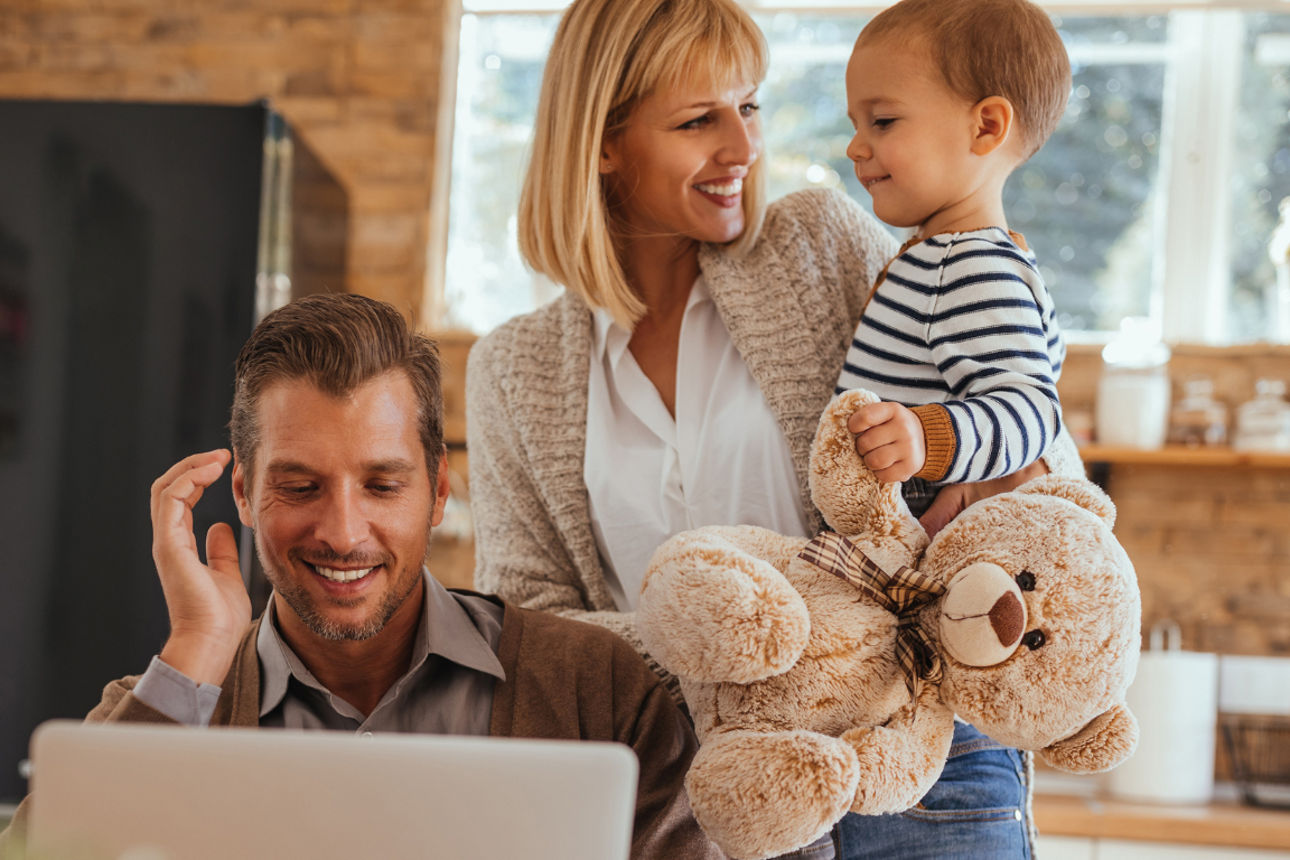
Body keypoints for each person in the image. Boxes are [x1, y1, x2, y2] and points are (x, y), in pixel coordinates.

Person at [466, 0, 1082, 857]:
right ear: (603, 142)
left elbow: (1034, 449)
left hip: (918, 776)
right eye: (697, 120)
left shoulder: (817, 247)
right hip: (699, 802)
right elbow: (526, 631)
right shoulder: (513, 368)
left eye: (748, 106)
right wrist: (749, 657)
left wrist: (969, 481)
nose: (744, 147)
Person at [0, 293, 720, 860]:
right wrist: (196, 646)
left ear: (439, 493)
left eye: (382, 485)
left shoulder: (598, 690)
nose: (343, 534)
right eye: (301, 486)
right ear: (245, 495)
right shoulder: (161, 707)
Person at [836, 0, 1072, 519]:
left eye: (883, 121)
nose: (856, 146)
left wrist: (926, 435)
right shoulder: (941, 256)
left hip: (932, 553)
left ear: (986, 126)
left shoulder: (971, 267)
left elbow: (1031, 411)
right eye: (856, 123)